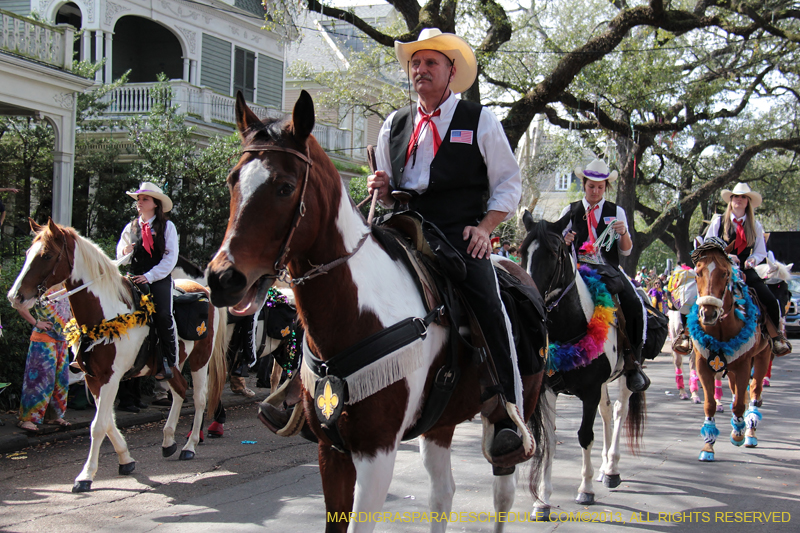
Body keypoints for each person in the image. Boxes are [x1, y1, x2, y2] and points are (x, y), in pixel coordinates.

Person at [368, 28, 524, 457]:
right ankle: (308, 385)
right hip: (400, 226)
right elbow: (388, 185)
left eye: (430, 62)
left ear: (451, 72)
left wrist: (486, 227)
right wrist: (380, 186)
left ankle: (511, 409)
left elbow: (509, 183)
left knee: (491, 306)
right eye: (415, 63)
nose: (420, 69)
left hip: (458, 235)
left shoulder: (480, 120)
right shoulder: (394, 124)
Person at [560, 158, 650, 392]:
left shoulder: (616, 211)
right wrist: (564, 240)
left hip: (608, 269)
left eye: (600, 187)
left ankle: (633, 360)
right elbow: (557, 246)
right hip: (576, 269)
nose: (596, 191)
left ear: (605, 188)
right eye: (591, 186)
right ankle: (543, 354)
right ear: (584, 185)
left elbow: (626, 250)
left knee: (634, 302)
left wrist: (623, 234)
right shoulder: (569, 211)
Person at [675, 183, 790, 356]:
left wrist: (752, 260)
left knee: (770, 300)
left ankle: (775, 338)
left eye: (743, 197)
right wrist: (726, 256)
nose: (739, 200)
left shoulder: (755, 225)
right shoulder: (718, 222)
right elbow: (708, 246)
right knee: (695, 296)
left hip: (745, 268)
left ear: (748, 201)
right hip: (719, 268)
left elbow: (760, 251)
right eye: (736, 196)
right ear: (731, 200)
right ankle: (686, 336)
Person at [116, 182, 180, 379]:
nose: (139, 202)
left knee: (162, 315)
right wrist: (125, 252)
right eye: (139, 199)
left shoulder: (167, 226)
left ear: (155, 204)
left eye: (145, 199)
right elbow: (121, 254)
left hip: (158, 278)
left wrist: (150, 276)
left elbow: (171, 257)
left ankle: (169, 362)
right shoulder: (131, 227)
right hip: (134, 277)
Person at [16, 285, 72, 433]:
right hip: (42, 339)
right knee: (39, 379)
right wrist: (36, 322)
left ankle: (54, 415)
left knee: (61, 379)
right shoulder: (40, 286)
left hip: (62, 339)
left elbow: (68, 310)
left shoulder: (65, 286)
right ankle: (27, 419)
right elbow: (19, 304)